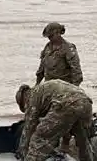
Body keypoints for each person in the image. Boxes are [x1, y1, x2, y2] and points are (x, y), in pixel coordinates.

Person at [8, 80, 96, 161]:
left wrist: (23, 151)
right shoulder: (44, 89)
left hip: (65, 103)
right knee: (84, 142)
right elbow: (64, 124)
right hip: (85, 103)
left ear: (23, 99)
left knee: (39, 138)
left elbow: (28, 130)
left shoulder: (32, 98)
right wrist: (64, 142)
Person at [35, 22, 83, 154]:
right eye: (48, 37)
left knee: (65, 116)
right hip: (49, 88)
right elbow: (41, 68)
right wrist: (37, 85)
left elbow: (76, 71)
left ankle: (66, 142)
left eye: (51, 36)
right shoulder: (48, 47)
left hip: (65, 88)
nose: (49, 39)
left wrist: (74, 90)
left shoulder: (68, 48)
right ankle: (53, 142)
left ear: (58, 33)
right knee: (49, 115)